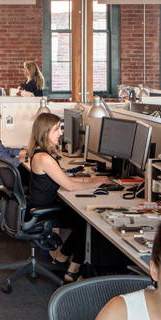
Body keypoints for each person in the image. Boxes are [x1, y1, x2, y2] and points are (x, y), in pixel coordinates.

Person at [27, 112, 110, 284]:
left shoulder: (39, 153)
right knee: (86, 220)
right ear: (44, 133)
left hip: (40, 206)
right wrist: (94, 183)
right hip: (43, 211)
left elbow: (64, 179)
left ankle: (62, 258)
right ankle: (73, 270)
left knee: (80, 219)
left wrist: (93, 180)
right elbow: (70, 186)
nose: (60, 133)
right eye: (56, 130)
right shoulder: (44, 158)